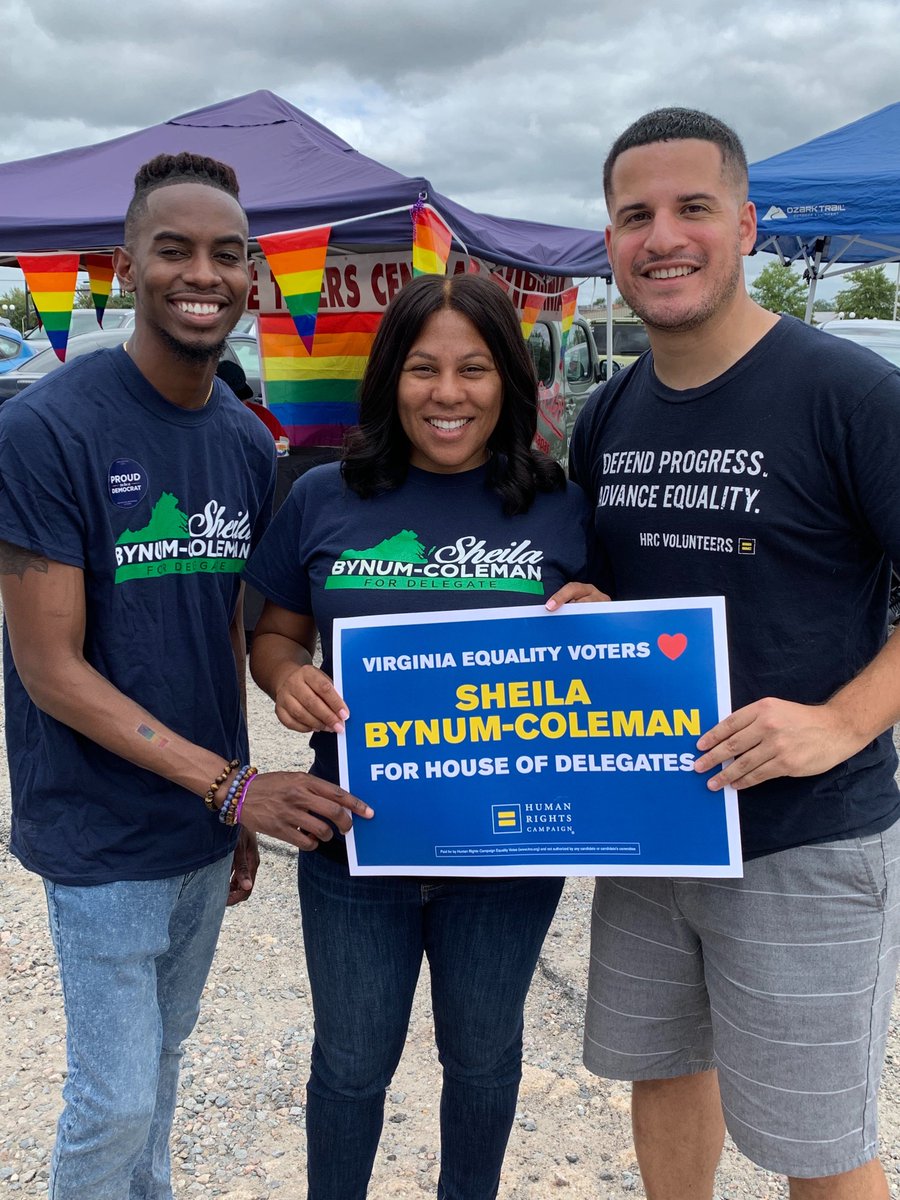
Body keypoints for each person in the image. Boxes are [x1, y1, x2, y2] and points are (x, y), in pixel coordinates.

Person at [0, 151, 370, 1200]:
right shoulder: (43, 431)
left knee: (160, 1075)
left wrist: (231, 806)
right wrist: (233, 787)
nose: (200, 273)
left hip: (200, 825)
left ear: (254, 279)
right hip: (99, 826)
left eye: (225, 254)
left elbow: (233, 635)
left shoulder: (247, 445)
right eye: (173, 249)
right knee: (111, 1099)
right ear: (123, 269)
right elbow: (51, 670)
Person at [569, 107, 900, 1200]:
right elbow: (623, 587)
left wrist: (844, 721)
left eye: (692, 208)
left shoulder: (847, 393)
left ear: (747, 225)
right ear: (610, 240)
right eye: (635, 215)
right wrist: (584, 606)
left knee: (816, 1138)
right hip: (653, 824)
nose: (662, 236)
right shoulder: (607, 413)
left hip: (805, 835)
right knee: (663, 1072)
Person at [244, 272, 600, 1200]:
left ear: (510, 381)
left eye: (475, 369)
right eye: (423, 368)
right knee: (352, 1065)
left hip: (512, 853)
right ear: (389, 380)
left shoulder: (561, 503)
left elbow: (635, 661)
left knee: (483, 1062)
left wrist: (608, 619)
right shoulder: (323, 496)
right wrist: (287, 679)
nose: (449, 393)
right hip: (355, 842)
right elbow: (274, 632)